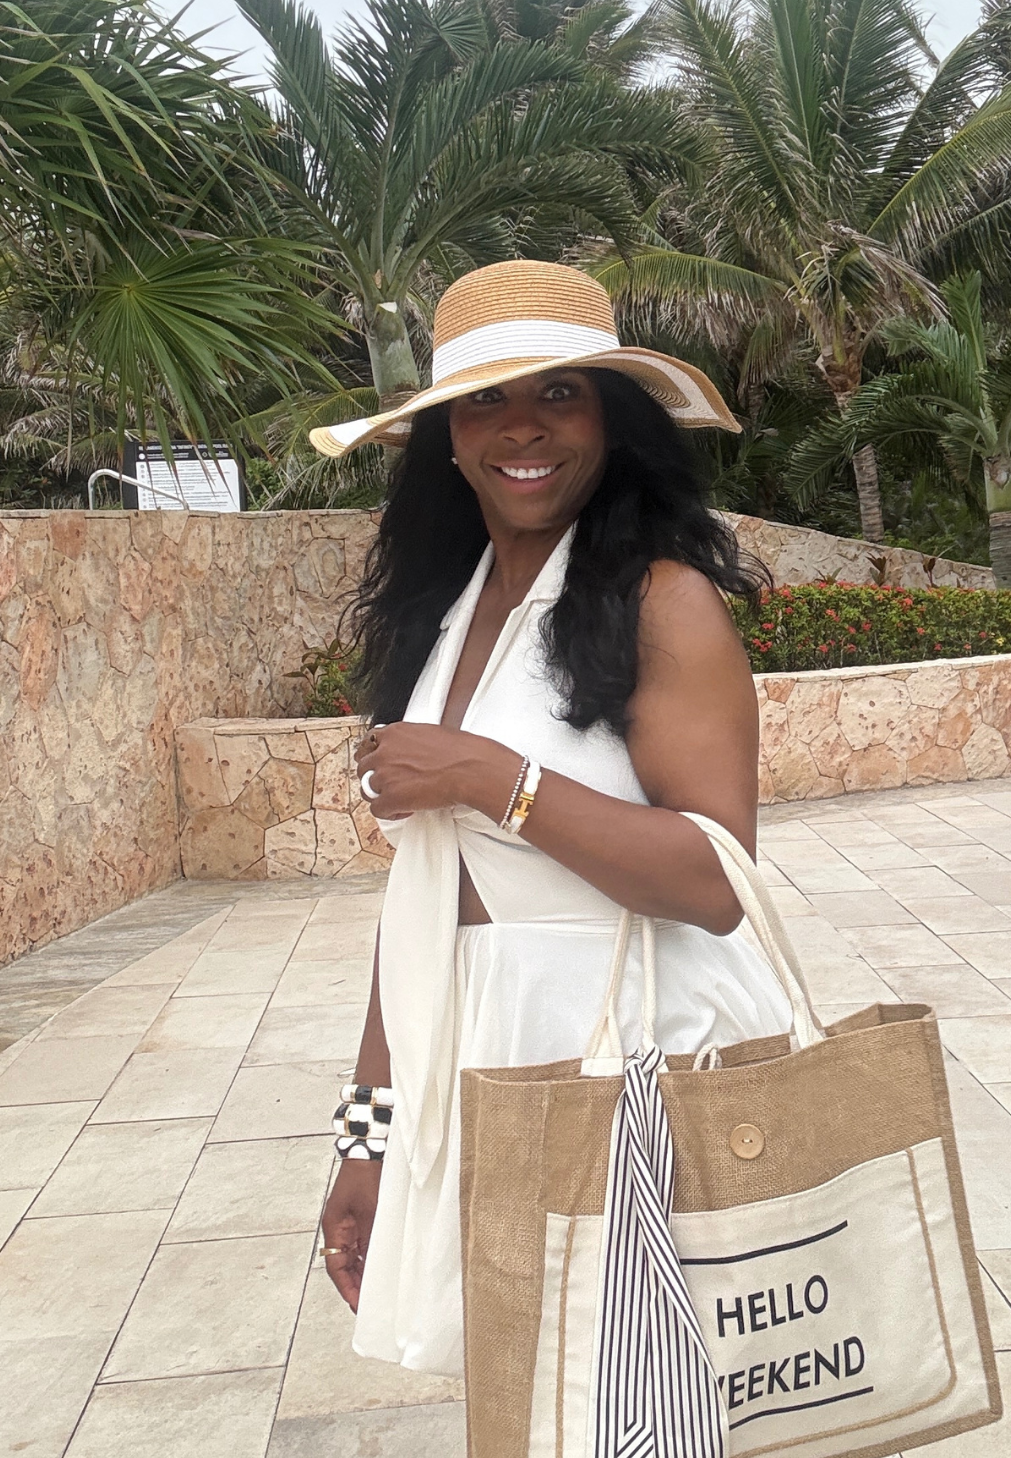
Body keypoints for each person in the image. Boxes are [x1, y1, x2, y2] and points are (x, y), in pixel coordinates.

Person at [310, 260, 794, 1377]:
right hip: (485, 1046)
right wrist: (368, 1134)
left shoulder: (660, 601)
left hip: (637, 1048)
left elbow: (714, 883)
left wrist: (491, 776)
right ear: (446, 435)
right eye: (485, 400)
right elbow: (426, 901)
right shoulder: (453, 604)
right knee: (534, 1399)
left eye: (560, 393)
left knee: (653, 1402)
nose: (521, 428)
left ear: (612, 422)